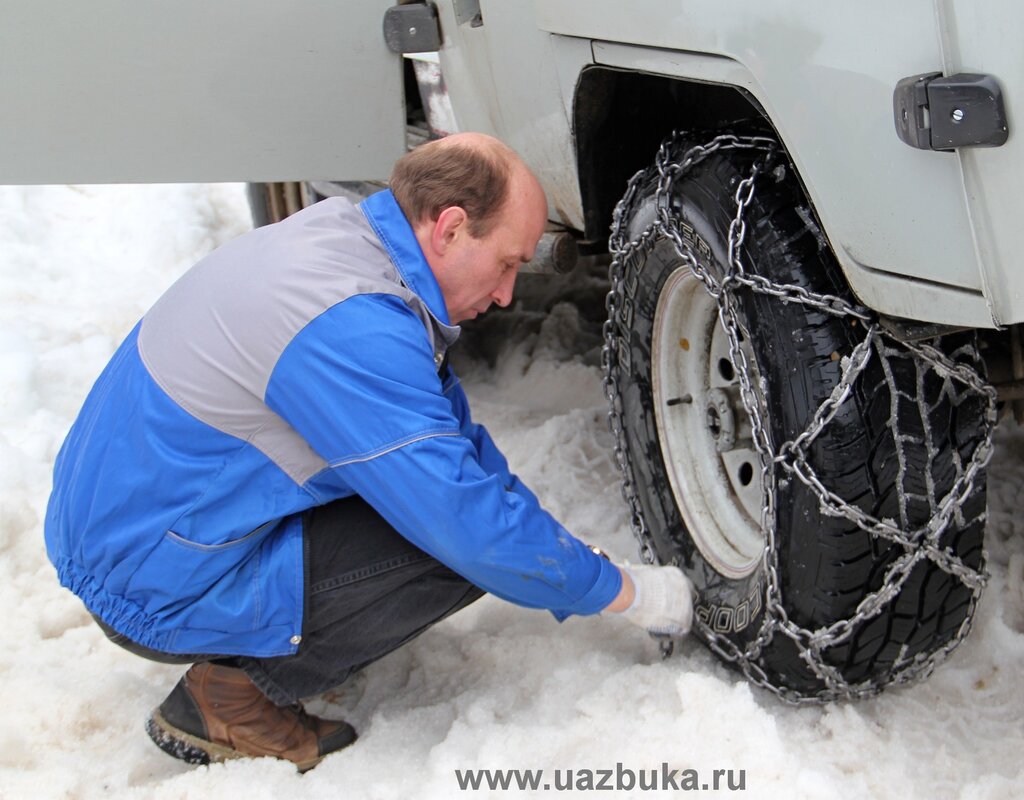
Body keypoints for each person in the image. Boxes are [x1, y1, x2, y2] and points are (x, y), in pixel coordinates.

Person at [44, 132, 694, 772]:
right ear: (450, 228)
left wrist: (563, 554)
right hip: (147, 575)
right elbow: (470, 529)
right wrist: (627, 593)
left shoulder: (349, 246)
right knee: (452, 550)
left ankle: (265, 621)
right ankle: (233, 698)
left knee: (451, 505)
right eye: (507, 263)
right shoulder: (350, 326)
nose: (505, 294)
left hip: (137, 524)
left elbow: (452, 445)